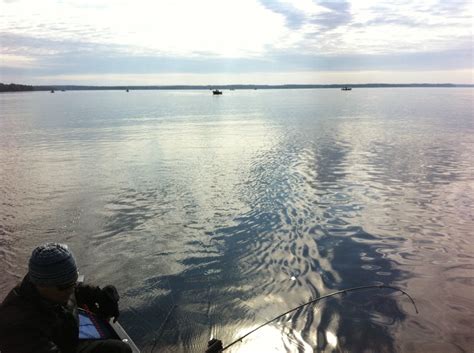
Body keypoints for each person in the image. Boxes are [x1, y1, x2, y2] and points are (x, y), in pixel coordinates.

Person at [0, 243, 223, 353]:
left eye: (73, 281)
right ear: (41, 283)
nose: (72, 289)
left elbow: (76, 290)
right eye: (65, 286)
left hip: (67, 338)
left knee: (121, 350)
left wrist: (100, 293)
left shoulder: (55, 288)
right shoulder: (17, 326)